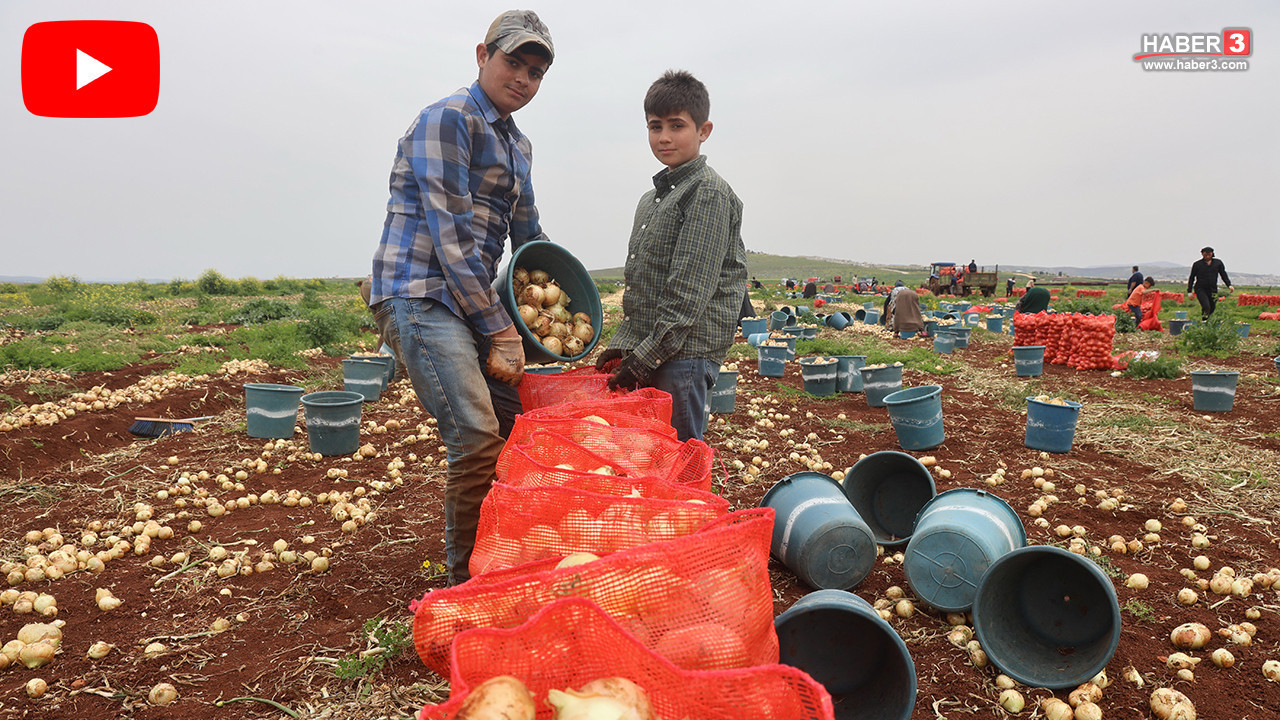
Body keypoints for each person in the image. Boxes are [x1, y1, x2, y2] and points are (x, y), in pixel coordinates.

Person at [365, 10, 555, 585]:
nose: (522, 78)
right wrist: (501, 329)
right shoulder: (448, 119)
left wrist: (557, 297)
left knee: (513, 424)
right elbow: (452, 240)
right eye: (512, 62)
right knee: (475, 434)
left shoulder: (518, 143)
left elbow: (530, 236)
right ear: (482, 55)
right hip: (420, 292)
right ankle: (467, 585)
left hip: (467, 298)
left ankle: (499, 554)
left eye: (535, 71)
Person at [595, 70, 746, 442]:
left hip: (685, 357)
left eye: (676, 126)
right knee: (648, 456)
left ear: (703, 130)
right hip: (656, 350)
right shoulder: (652, 199)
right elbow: (644, 286)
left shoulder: (707, 193)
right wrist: (620, 346)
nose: (664, 137)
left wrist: (640, 362)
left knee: (677, 458)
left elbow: (687, 297)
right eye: (654, 126)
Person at [1187, 247, 1233, 320]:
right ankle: (1204, 323)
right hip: (1200, 289)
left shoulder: (1218, 263)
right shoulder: (1197, 264)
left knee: (1212, 307)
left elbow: (1223, 275)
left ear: (1212, 254)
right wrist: (1189, 291)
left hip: (1213, 289)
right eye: (1205, 254)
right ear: (1202, 254)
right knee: (1206, 306)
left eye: (1209, 254)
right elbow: (1192, 277)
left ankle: (1207, 322)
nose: (1207, 256)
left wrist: (1229, 285)